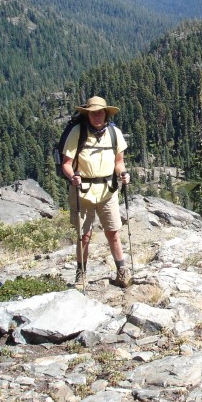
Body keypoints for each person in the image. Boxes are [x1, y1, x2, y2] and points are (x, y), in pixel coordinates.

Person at [60, 96, 132, 288]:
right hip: (82, 192)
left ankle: (122, 271)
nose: (96, 116)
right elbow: (66, 164)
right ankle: (81, 273)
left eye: (100, 112)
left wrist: (123, 174)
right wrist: (72, 177)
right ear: (87, 114)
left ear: (106, 113)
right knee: (84, 236)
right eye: (92, 112)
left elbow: (119, 162)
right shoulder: (77, 132)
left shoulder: (114, 133)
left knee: (113, 233)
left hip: (108, 191)